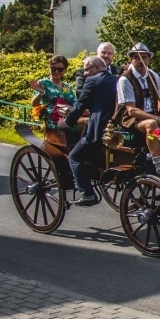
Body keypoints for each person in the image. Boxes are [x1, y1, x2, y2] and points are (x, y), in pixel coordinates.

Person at [115, 42, 160, 177]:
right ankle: (158, 163)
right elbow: (131, 110)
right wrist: (157, 118)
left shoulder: (153, 75)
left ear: (149, 59)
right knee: (152, 124)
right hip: (132, 121)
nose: (140, 60)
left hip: (152, 116)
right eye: (136, 57)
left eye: (144, 57)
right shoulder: (125, 79)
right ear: (131, 60)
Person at [57, 56, 119, 206]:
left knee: (73, 157)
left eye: (87, 69)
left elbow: (80, 105)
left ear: (96, 68)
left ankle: (87, 192)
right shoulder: (117, 80)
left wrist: (67, 122)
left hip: (97, 131)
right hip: (116, 130)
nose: (84, 73)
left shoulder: (93, 81)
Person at [28, 55, 79, 146]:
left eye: (60, 69)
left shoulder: (66, 86)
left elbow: (74, 102)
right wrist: (41, 93)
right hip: (52, 117)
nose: (56, 72)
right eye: (53, 68)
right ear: (49, 68)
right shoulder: (43, 83)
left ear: (65, 70)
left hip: (66, 113)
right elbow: (34, 104)